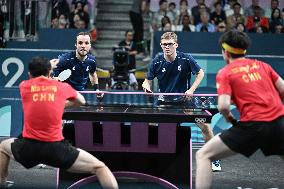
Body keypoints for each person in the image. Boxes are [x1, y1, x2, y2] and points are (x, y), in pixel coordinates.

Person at [0, 57, 119, 189]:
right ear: (49, 72)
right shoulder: (61, 86)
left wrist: (48, 67)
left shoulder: (25, 86)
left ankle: (2, 182)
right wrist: (62, 104)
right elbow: (81, 101)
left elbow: (39, 86)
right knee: (100, 167)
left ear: (29, 74)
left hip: (29, 147)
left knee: (3, 147)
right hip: (56, 149)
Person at [195, 30, 284, 189]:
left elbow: (222, 106)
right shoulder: (263, 66)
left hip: (253, 125)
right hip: (278, 123)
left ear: (225, 52)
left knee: (203, 155)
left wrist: (229, 117)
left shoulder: (225, 72)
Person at [142, 31, 221, 171]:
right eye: (164, 44)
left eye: (170, 44)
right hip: (163, 102)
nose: (167, 47)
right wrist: (146, 87)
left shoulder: (186, 59)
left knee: (205, 126)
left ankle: (214, 160)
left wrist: (191, 90)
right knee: (150, 125)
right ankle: (150, 159)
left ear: (176, 45)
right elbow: (146, 81)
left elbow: (200, 73)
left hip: (185, 102)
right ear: (161, 45)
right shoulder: (157, 61)